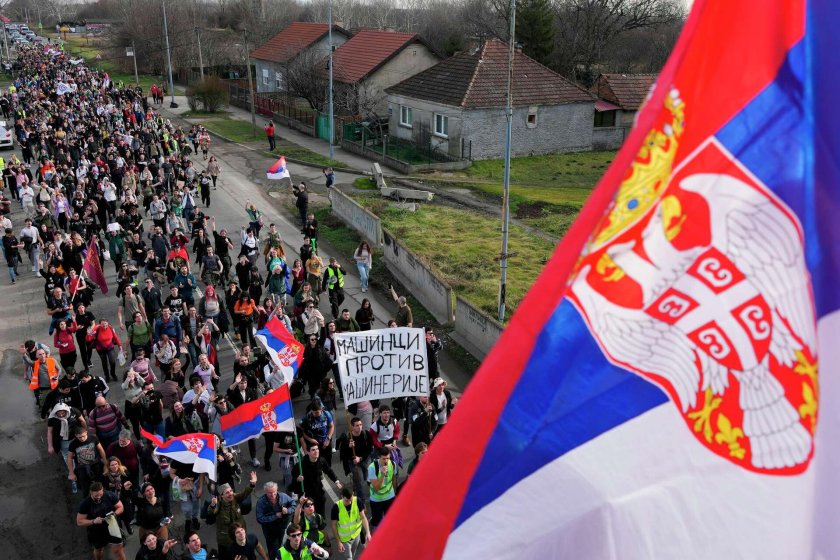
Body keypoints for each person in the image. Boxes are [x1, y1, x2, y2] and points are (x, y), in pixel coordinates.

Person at [208, 470, 258, 560]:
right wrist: (212, 505)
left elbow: (244, 493)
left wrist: (252, 484)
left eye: (231, 491)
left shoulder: (234, 498)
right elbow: (211, 512)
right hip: (226, 540)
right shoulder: (218, 504)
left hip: (240, 536)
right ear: (222, 496)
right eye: (227, 493)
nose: (230, 493)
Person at [76, 481, 127, 560]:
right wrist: (93, 521)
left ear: (103, 490)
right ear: (91, 493)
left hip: (112, 526)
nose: (99, 497)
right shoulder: (85, 504)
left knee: (119, 550)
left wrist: (115, 514)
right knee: (99, 550)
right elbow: (79, 521)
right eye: (96, 495)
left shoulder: (109, 495)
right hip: (96, 531)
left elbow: (120, 507)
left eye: (100, 494)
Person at [295, 444, 342, 517]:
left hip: (318, 492)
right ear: (308, 452)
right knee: (307, 515)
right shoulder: (302, 463)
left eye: (317, 449)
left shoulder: (321, 460)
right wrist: (297, 478)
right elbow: (294, 474)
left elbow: (329, 471)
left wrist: (336, 481)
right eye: (313, 450)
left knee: (321, 515)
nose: (316, 451)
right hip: (306, 493)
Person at [337, 416, 374, 501]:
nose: (360, 427)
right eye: (357, 425)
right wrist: (348, 447)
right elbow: (343, 455)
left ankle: (354, 483)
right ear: (352, 427)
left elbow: (369, 449)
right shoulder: (347, 438)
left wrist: (360, 458)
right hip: (353, 463)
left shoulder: (366, 434)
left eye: (360, 424)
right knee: (360, 482)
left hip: (364, 460)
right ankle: (361, 502)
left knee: (365, 478)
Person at [256, 480, 296, 557]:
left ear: (277, 490)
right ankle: (273, 556)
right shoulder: (261, 503)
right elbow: (260, 518)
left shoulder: (283, 496)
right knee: (273, 547)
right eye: (270, 493)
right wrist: (275, 516)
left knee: (280, 542)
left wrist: (288, 510)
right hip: (269, 529)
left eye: (274, 491)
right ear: (265, 492)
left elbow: (293, 504)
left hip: (282, 526)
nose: (273, 494)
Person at [330, 487, 371, 560]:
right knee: (349, 557)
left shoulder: (357, 501)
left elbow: (363, 517)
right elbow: (333, 525)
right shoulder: (336, 507)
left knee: (353, 553)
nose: (349, 502)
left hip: (356, 535)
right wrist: (338, 541)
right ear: (342, 497)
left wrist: (368, 533)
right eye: (347, 500)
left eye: (351, 500)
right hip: (345, 539)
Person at [67, 424, 108, 495]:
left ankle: (104, 495)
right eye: (79, 437)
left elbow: (101, 450)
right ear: (76, 436)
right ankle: (87, 499)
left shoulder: (93, 438)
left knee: (101, 482)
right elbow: (69, 458)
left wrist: (106, 464)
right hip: (81, 467)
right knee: (84, 487)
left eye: (83, 436)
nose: (82, 438)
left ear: (86, 432)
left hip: (95, 463)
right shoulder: (73, 444)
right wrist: (71, 473)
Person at [367, 446, 396, 530]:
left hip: (390, 496)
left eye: (387, 458)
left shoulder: (393, 463)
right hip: (377, 499)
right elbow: (376, 487)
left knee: (390, 520)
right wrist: (383, 474)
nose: (386, 461)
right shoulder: (372, 468)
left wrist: (395, 494)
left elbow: (394, 479)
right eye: (383, 459)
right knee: (377, 524)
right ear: (379, 457)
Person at [299, 399, 335, 465]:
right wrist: (310, 439)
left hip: (326, 441)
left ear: (321, 409)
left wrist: (328, 439)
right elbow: (300, 431)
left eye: (317, 412)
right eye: (313, 412)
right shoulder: (306, 418)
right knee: (316, 462)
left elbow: (331, 426)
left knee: (328, 461)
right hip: (314, 444)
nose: (315, 414)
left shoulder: (326, 414)